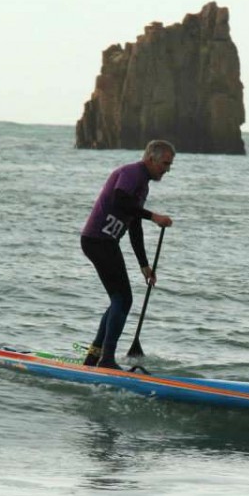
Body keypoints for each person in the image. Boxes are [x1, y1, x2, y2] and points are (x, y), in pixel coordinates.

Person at [80, 140, 175, 370]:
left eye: (170, 165)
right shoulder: (132, 173)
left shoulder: (143, 184)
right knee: (122, 299)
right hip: (98, 240)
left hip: (104, 242)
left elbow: (134, 224)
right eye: (165, 163)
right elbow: (119, 200)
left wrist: (144, 264)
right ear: (151, 159)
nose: (167, 169)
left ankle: (93, 358)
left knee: (118, 300)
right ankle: (106, 360)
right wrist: (153, 216)